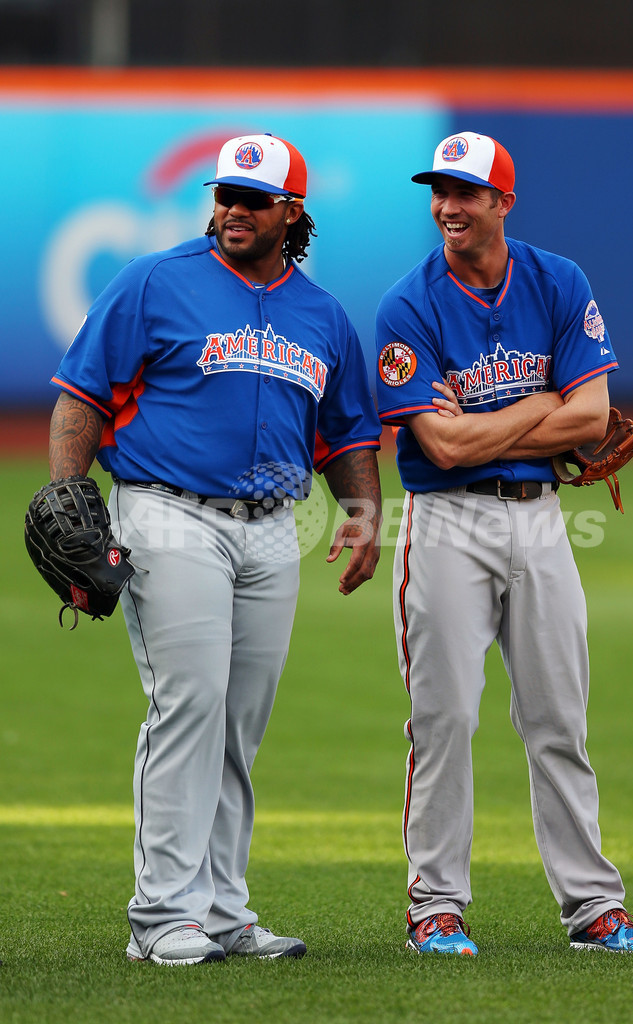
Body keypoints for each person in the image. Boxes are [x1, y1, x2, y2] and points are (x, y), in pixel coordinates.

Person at [47, 133, 382, 965]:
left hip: (273, 527)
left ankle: (224, 911)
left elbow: (346, 432)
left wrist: (363, 512)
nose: (235, 209)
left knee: (239, 724)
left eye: (254, 200)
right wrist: (67, 493)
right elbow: (82, 396)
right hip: (168, 511)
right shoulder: (154, 281)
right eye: (226, 195)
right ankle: (163, 915)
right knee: (189, 704)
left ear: (291, 212)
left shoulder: (322, 315)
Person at [374, 130, 633, 956]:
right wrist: (541, 406)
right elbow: (442, 448)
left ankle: (593, 907)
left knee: (558, 719)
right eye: (438, 191)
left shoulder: (557, 280)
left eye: (465, 192)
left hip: (541, 521)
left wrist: (499, 421)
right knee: (442, 720)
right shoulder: (408, 303)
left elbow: (589, 416)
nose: (447, 206)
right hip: (445, 524)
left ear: (502, 202)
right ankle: (435, 907)